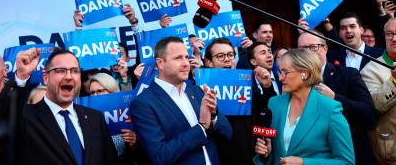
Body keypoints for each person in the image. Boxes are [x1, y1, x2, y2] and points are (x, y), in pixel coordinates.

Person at [130, 36, 232, 165]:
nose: (185, 63)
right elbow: (160, 157)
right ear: (160, 63)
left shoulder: (198, 91)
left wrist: (213, 115)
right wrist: (201, 128)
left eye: (186, 57)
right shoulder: (143, 104)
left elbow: (228, 133)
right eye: (178, 58)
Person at [253, 48, 354, 165]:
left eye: (285, 72)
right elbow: (276, 154)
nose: (280, 78)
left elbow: (346, 162)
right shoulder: (274, 104)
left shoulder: (330, 109)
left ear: (305, 73)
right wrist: (267, 154)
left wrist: (304, 162)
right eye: (280, 72)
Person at [19, 48, 118, 165]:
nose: (69, 76)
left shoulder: (95, 118)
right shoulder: (26, 117)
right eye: (61, 70)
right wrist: (20, 78)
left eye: (74, 71)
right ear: (46, 78)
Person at [298, 31, 378, 165]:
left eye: (313, 47)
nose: (307, 53)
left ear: (325, 48)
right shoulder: (294, 82)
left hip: (352, 154)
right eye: (302, 49)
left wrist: (335, 98)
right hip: (313, 157)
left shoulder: (348, 74)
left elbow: (368, 114)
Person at [360, 18, 396, 165]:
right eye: (389, 34)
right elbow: (374, 107)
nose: (394, 39)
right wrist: (394, 81)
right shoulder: (370, 70)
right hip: (392, 152)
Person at [88, 73, 138, 165]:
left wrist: (134, 143)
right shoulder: (86, 117)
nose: (95, 95)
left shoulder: (127, 111)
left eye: (99, 91)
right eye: (92, 92)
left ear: (111, 90)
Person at [248, 42, 282, 108]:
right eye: (263, 53)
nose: (269, 55)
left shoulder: (281, 79)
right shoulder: (247, 83)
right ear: (253, 62)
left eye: (269, 52)